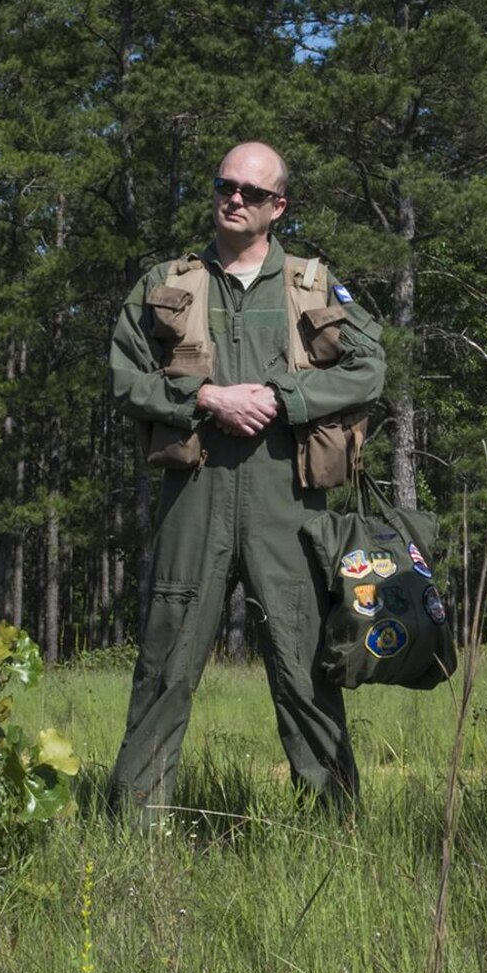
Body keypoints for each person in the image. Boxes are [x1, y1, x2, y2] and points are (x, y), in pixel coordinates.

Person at [107, 142, 385, 824]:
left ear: (277, 206)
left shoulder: (313, 284)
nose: (235, 198)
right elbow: (124, 376)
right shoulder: (166, 281)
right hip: (193, 497)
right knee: (165, 662)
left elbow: (368, 369)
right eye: (224, 185)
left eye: (252, 192)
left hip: (287, 500)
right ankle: (135, 829)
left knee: (302, 665)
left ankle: (334, 831)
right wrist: (206, 398)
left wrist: (280, 394)